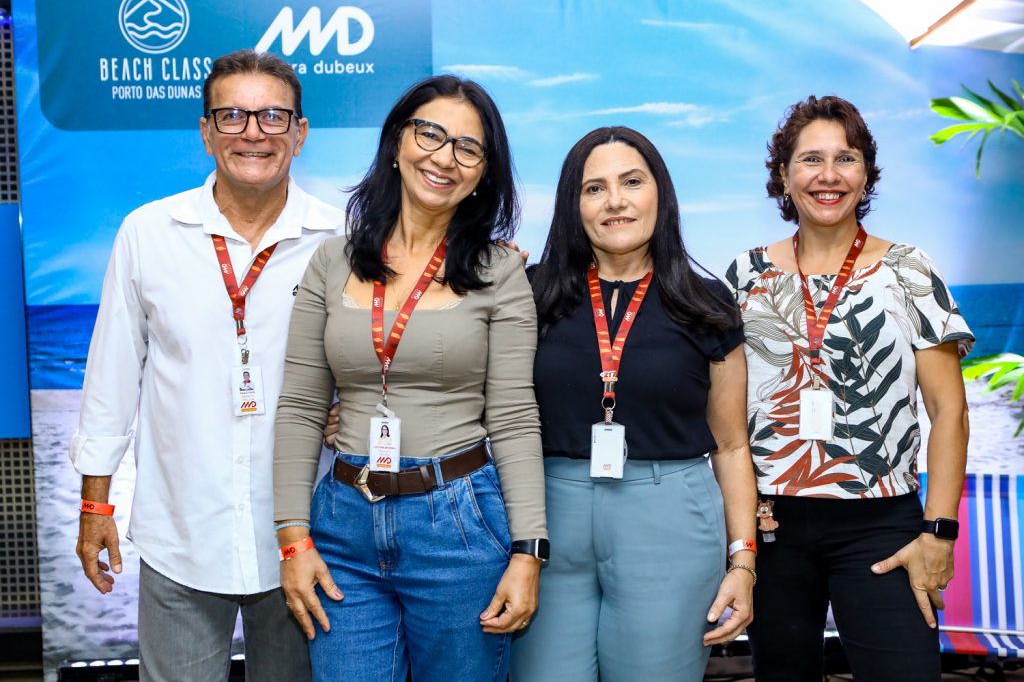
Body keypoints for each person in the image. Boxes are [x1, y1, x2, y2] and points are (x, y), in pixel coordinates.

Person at [70, 49, 344, 681]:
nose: (253, 132)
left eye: (273, 116)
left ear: (299, 134)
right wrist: (95, 508)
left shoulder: (342, 238)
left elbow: (384, 358)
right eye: (232, 116)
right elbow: (110, 379)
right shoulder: (148, 233)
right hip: (180, 534)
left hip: (308, 536)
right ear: (205, 130)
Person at [272, 75, 547, 682]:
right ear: (398, 142)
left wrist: (529, 550)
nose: (444, 157)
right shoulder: (332, 260)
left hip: (458, 525)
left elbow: (514, 417)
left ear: (483, 173)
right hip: (342, 524)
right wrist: (293, 539)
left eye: (468, 148)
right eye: (430, 134)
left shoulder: (499, 270)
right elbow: (298, 406)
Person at [726, 95, 973, 681]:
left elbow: (950, 412)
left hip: (883, 526)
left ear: (866, 175)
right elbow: (726, 419)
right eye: (811, 160)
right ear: (784, 177)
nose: (829, 176)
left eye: (847, 158)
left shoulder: (910, 269)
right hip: (772, 529)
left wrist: (939, 531)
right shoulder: (745, 275)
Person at [510, 126, 758, 681]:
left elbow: (733, 444)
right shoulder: (528, 294)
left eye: (631, 182)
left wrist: (743, 562)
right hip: (546, 518)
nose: (615, 201)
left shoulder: (706, 302)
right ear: (572, 206)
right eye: (594, 188)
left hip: (668, 518)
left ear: (660, 195)